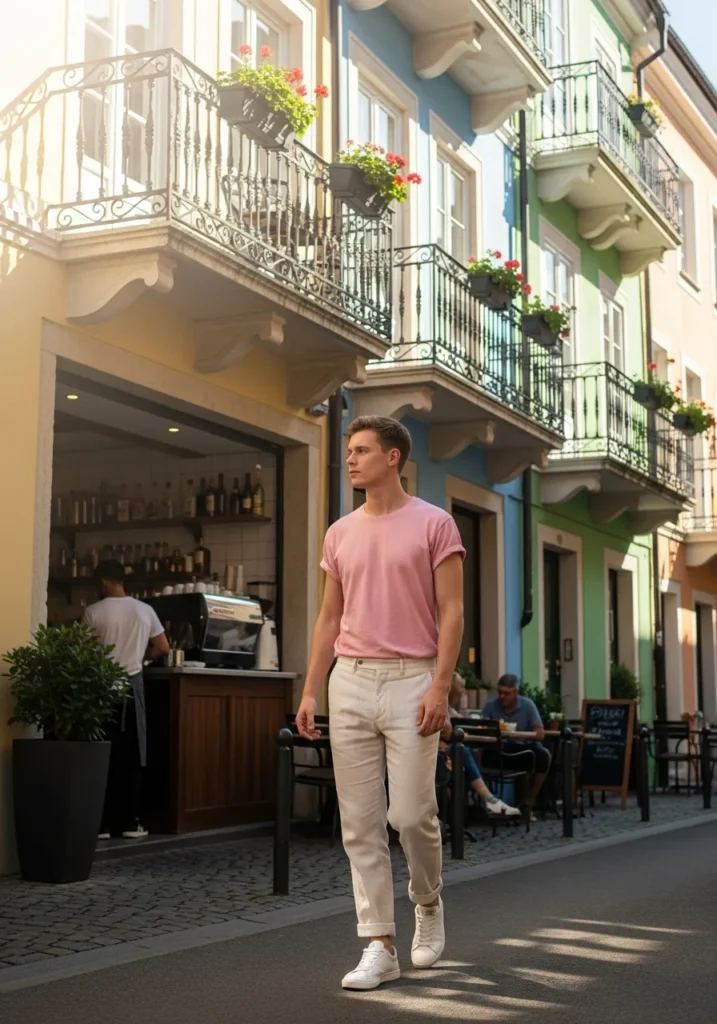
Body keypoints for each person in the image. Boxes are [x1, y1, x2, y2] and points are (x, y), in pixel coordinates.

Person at [295, 415, 465, 991]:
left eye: (362, 450)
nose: (351, 459)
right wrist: (312, 688)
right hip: (351, 680)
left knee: (411, 815)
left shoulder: (435, 524)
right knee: (360, 823)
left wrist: (441, 685)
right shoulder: (339, 532)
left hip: (413, 679)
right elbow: (328, 618)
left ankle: (428, 900)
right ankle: (379, 943)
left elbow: (452, 613)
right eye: (348, 450)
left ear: (393, 457)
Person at [83, 560, 169, 840]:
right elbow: (163, 646)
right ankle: (130, 822)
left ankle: (102, 825)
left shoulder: (92, 612)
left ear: (104, 582)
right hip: (132, 688)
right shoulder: (145, 610)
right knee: (133, 755)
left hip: (101, 687)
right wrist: (143, 658)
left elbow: (82, 652)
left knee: (102, 753)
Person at [438, 674, 519, 817]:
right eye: (461, 688)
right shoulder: (440, 708)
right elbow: (449, 732)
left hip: (447, 757)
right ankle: (488, 800)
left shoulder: (449, 709)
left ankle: (480, 804)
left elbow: (460, 725)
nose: (464, 691)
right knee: (464, 752)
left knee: (467, 753)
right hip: (438, 758)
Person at [481, 674, 551, 814]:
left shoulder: (527, 705)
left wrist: (520, 734)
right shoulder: (490, 706)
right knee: (479, 754)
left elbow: (540, 732)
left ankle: (529, 801)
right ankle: (486, 799)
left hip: (521, 749)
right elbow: (483, 730)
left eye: (507, 693)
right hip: (497, 751)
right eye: (500, 692)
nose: (502, 696)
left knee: (543, 756)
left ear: (516, 693)